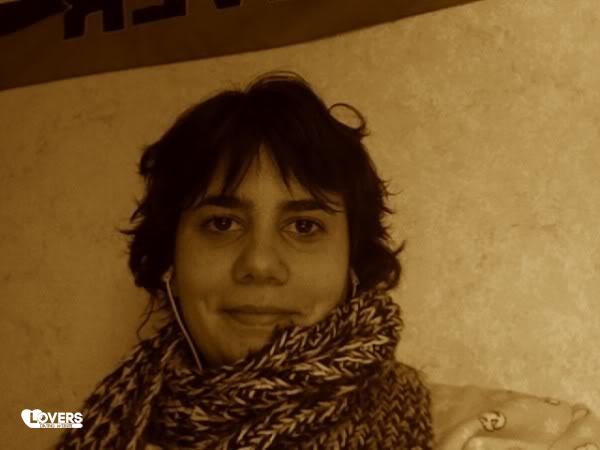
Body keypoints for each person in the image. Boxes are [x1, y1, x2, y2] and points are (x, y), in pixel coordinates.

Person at [54, 71, 599, 450]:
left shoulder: (513, 436)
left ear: (352, 263)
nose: (260, 263)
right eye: (221, 223)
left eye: (304, 226)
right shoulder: (92, 422)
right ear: (170, 258)